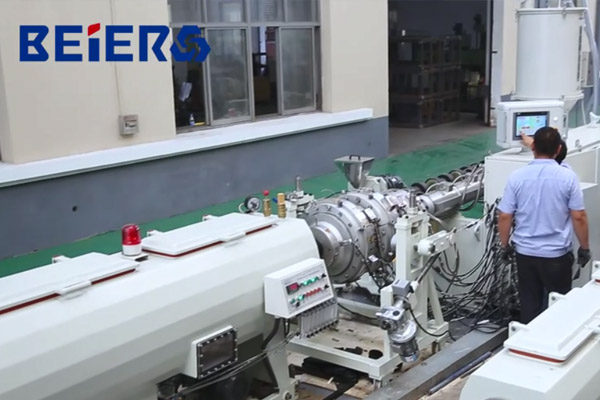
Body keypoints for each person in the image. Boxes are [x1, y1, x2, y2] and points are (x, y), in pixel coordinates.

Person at [498, 127, 591, 324]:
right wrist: (584, 248)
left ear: (533, 148)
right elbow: (579, 217)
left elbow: (505, 216)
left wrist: (504, 245)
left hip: (525, 254)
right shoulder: (568, 177)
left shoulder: (517, 177)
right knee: (559, 307)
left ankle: (527, 338)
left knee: (529, 304)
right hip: (556, 256)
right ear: (559, 149)